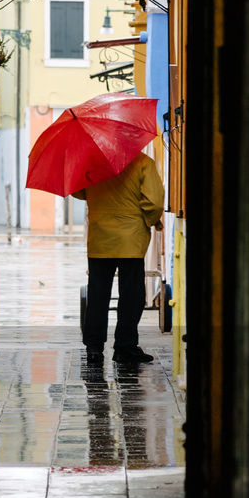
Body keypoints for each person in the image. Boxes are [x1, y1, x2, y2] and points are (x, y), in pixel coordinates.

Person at [75, 151, 164, 366]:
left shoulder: (91, 161)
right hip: (130, 239)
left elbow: (78, 191)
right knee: (131, 295)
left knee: (97, 294)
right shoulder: (143, 162)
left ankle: (94, 349)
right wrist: (152, 221)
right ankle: (125, 347)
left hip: (100, 238)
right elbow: (154, 204)